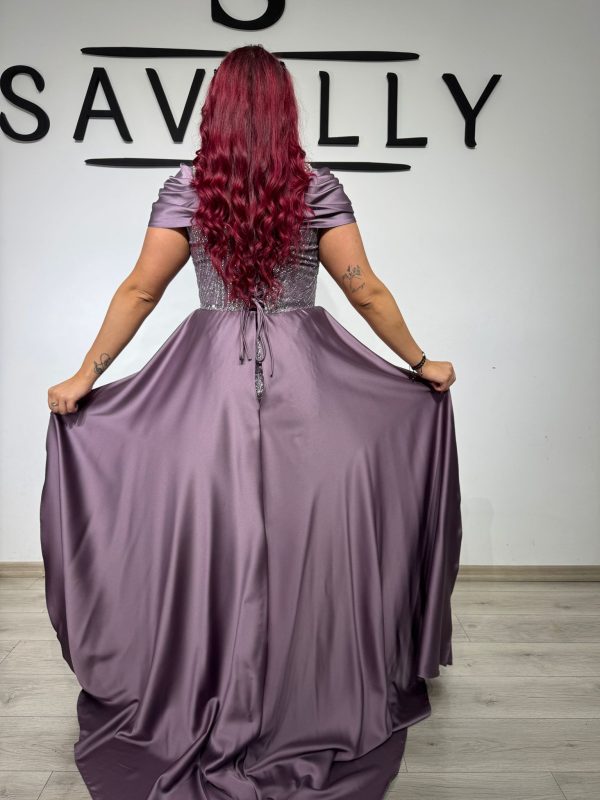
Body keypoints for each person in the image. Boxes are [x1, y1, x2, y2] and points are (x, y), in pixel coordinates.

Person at [40, 44, 462, 800]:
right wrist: (420, 360)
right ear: (285, 111)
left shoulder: (189, 188)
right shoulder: (317, 188)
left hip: (208, 376)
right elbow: (363, 288)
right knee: (306, 537)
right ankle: (307, 689)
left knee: (222, 535)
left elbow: (140, 291)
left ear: (217, 111)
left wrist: (85, 376)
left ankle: (218, 683)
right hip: (311, 380)